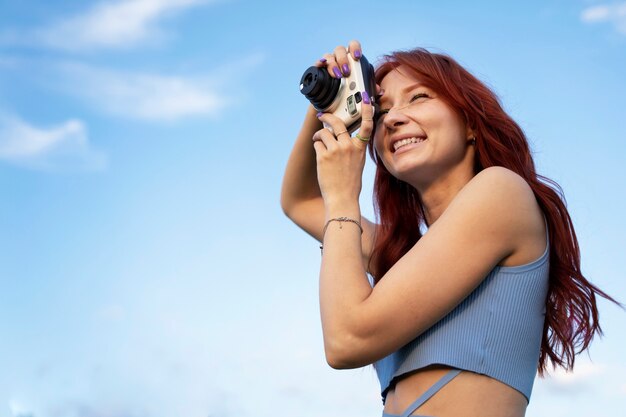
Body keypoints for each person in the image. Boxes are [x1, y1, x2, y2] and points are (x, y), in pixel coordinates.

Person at [280, 40, 617, 417]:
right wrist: (326, 99)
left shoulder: (501, 192)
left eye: (418, 97)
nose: (392, 118)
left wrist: (343, 197)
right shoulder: (403, 260)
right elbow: (300, 202)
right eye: (382, 108)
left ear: (470, 123)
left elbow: (346, 341)